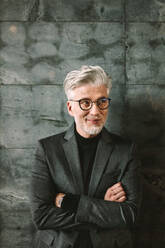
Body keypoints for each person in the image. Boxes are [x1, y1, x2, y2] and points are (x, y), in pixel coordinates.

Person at [30, 65, 142, 248]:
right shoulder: (47, 149)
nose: (95, 111)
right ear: (70, 107)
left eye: (102, 101)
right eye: (85, 102)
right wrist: (102, 207)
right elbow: (41, 216)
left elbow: (129, 214)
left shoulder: (126, 150)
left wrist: (68, 202)